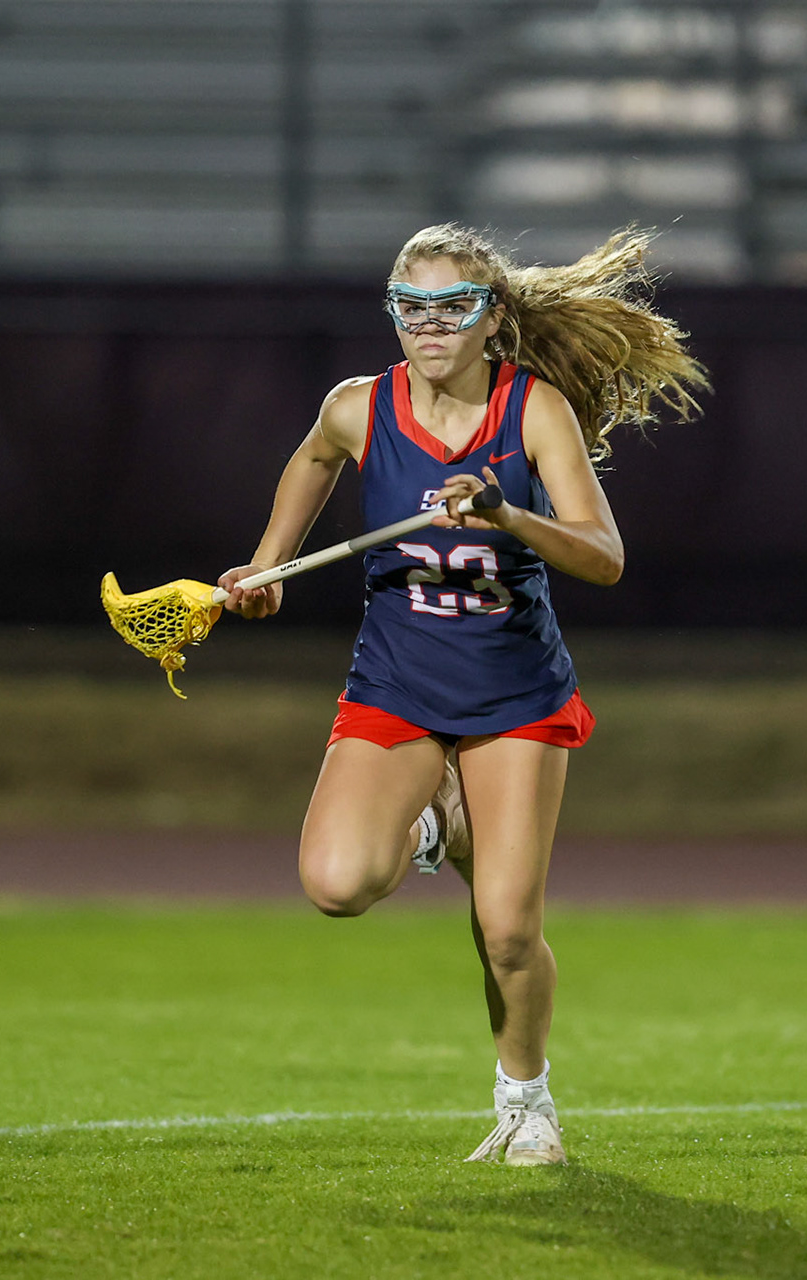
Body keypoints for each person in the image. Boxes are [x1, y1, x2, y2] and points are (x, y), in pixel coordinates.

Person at [217, 225, 705, 1163]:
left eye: (453, 308)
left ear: (491, 318)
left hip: (512, 693)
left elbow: (604, 558)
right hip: (396, 684)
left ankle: (526, 1103)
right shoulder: (361, 407)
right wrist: (270, 561)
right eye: (411, 307)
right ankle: (432, 826)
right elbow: (318, 455)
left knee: (510, 931)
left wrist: (504, 512)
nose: (429, 326)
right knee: (336, 883)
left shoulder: (534, 411)